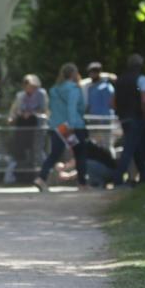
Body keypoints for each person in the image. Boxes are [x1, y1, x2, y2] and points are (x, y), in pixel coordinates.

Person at [35, 63, 88, 192]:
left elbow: (52, 108)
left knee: (54, 154)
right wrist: (71, 124)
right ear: (74, 74)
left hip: (57, 126)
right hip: (71, 127)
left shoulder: (54, 89)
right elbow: (72, 107)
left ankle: (41, 178)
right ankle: (82, 183)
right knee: (80, 153)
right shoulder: (74, 89)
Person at [111, 54, 145, 185]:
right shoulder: (141, 80)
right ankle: (117, 178)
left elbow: (111, 102)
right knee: (129, 148)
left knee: (135, 146)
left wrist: (120, 113)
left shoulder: (119, 80)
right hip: (136, 117)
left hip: (123, 118)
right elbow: (144, 100)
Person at [7, 73, 48, 175]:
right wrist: (14, 116)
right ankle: (24, 175)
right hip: (23, 128)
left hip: (37, 128)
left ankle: (43, 174)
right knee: (22, 150)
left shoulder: (41, 94)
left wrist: (31, 113)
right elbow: (14, 111)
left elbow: (44, 110)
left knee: (38, 150)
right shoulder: (20, 96)